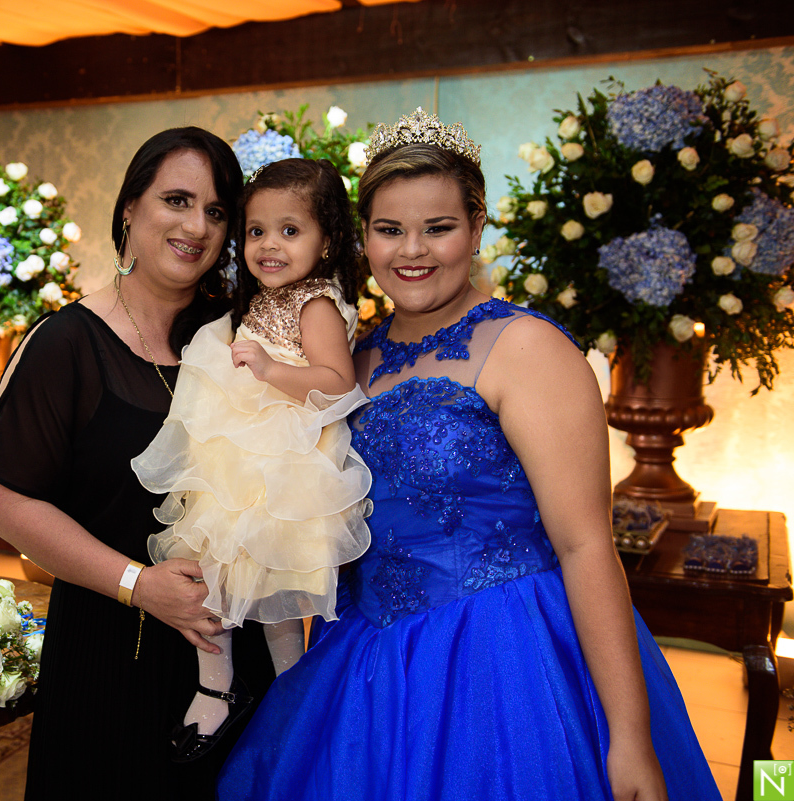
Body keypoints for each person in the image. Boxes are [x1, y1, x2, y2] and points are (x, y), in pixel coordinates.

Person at [217, 109, 720, 800]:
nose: (411, 250)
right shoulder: (350, 356)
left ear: (477, 226)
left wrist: (627, 733)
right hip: (364, 667)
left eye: (439, 227)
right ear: (362, 237)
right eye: (389, 229)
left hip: (503, 663)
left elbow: (584, 546)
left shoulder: (527, 347)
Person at [0, 127, 275, 801]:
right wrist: (141, 583)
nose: (197, 225)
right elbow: (5, 500)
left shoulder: (239, 337)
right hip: (114, 645)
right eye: (176, 199)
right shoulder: (65, 345)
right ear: (130, 208)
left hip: (232, 646)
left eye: (217, 211)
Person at [131, 158, 373, 761]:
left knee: (275, 590)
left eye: (290, 231)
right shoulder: (261, 299)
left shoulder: (314, 304)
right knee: (210, 575)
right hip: (234, 465)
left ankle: (293, 694)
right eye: (258, 231)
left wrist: (270, 369)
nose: (269, 245)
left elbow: (338, 382)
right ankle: (216, 684)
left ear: (328, 240)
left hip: (283, 467)